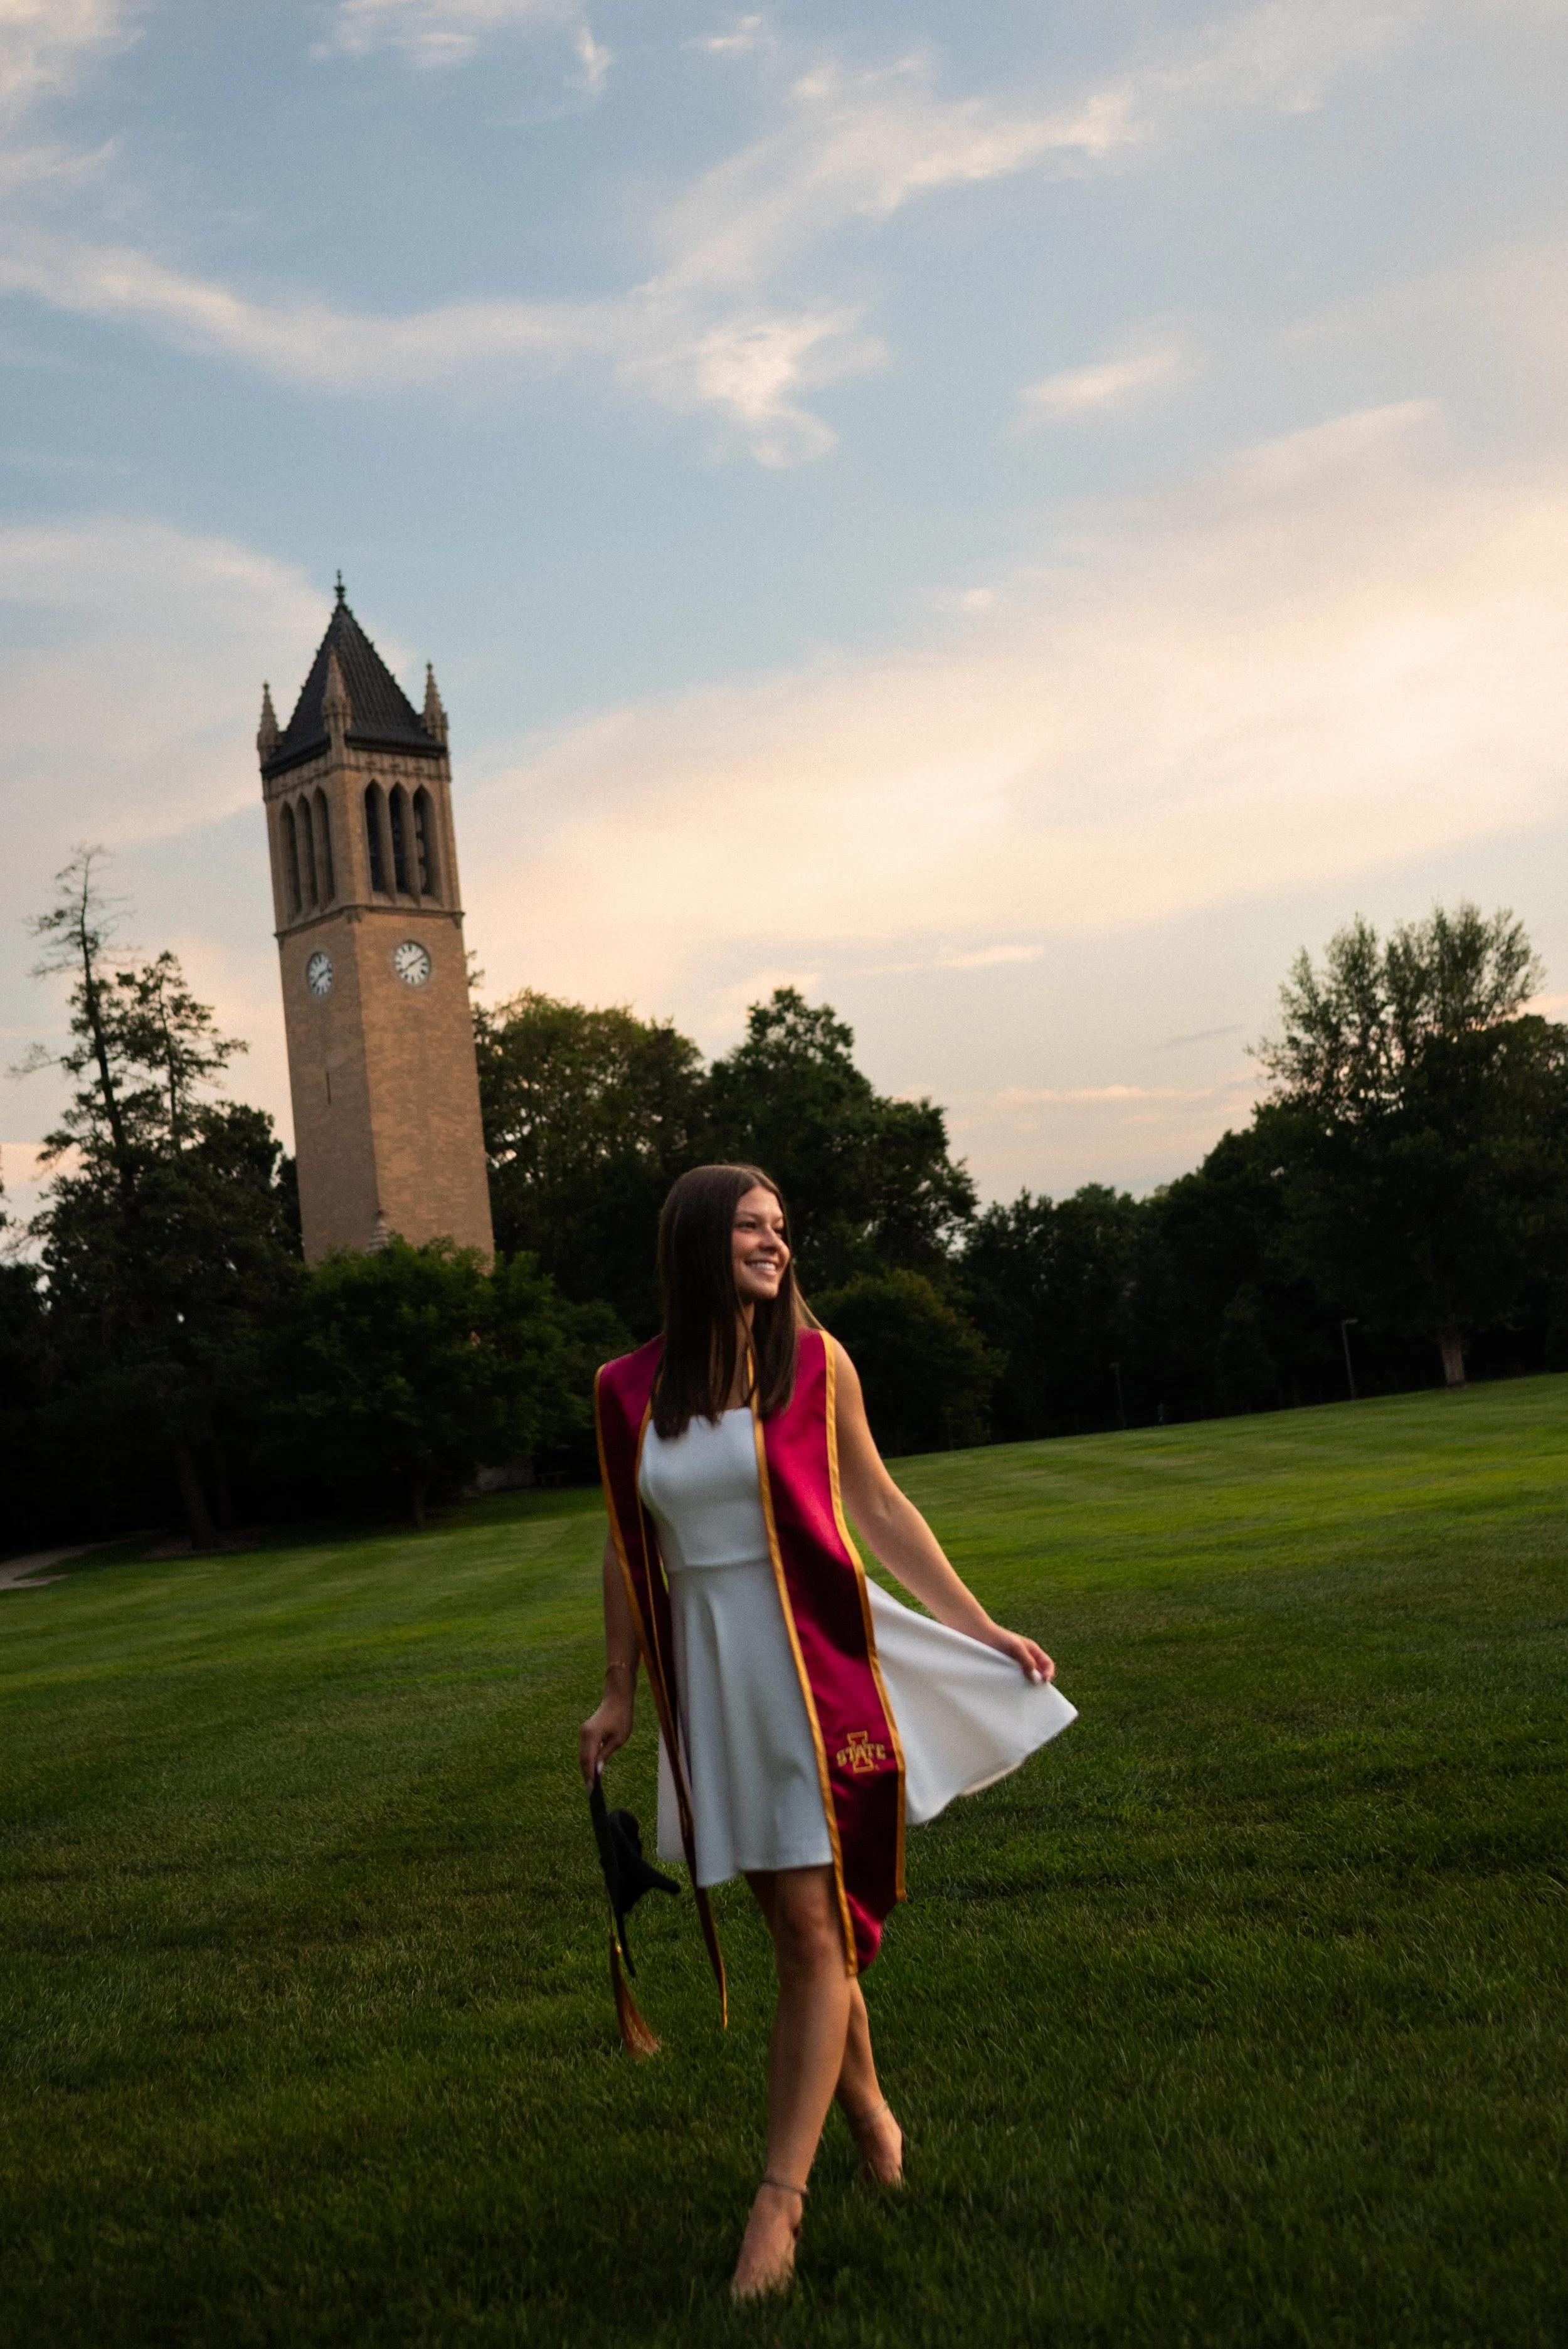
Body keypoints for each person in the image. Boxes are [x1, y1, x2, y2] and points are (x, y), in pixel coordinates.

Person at [580, 1164, 1076, 2301]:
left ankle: (777, 2208)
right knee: (797, 1932)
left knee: (812, 1935)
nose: (777, 1246)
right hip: (708, 1681)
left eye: (783, 1230)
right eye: (754, 1227)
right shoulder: (625, 1388)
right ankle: (869, 2112)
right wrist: (619, 1695)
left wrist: (981, 1622)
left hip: (811, 1661)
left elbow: (882, 1505)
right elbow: (623, 1544)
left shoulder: (814, 1361)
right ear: (701, 1242)